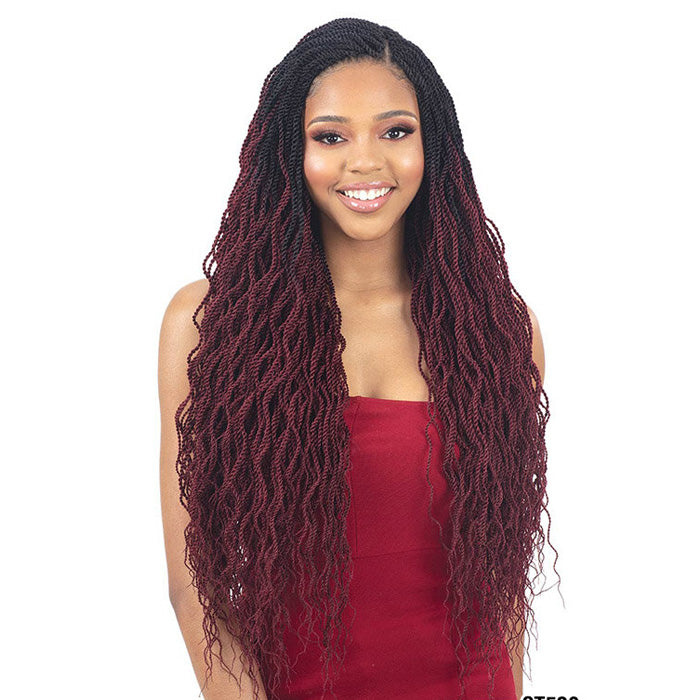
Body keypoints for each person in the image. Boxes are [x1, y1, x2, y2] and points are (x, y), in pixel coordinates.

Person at [159, 17, 558, 700]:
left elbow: (502, 580)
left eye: (395, 132)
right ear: (290, 150)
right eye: (331, 136)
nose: (365, 161)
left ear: (433, 145)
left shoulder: (496, 331)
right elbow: (194, 585)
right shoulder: (208, 327)